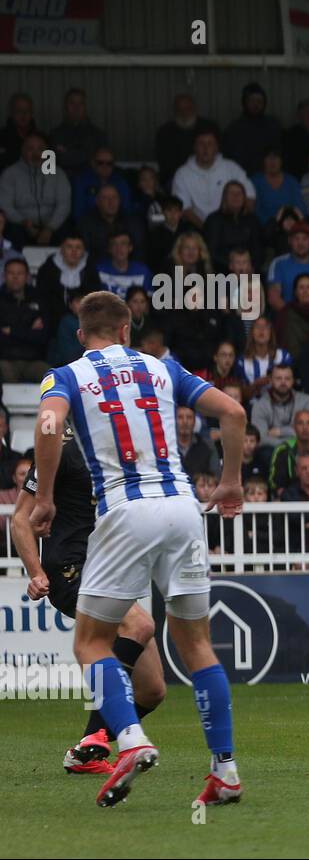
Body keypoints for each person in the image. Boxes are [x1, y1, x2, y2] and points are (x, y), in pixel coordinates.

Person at [31, 289, 248, 806]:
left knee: (91, 643)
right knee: (197, 647)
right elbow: (234, 412)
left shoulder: (66, 375)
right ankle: (225, 771)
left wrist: (43, 497)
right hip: (182, 509)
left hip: (125, 511)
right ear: (128, 329)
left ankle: (128, 740)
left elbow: (47, 422)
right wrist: (232, 481)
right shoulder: (162, 367)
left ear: (82, 336)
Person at [10, 424, 166, 776]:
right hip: (71, 566)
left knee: (152, 688)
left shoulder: (126, 446)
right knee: (139, 625)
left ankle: (84, 751)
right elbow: (20, 518)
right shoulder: (60, 447)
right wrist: (35, 572)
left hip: (111, 566)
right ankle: (98, 735)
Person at [170, 127, 255, 226]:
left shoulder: (232, 168)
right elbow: (184, 210)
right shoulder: (182, 174)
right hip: (196, 230)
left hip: (231, 226)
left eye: (210, 143)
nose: (205, 148)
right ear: (194, 147)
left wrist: (238, 222)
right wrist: (206, 230)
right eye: (201, 143)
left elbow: (250, 197)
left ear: (217, 147)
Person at [0, 132, 71, 247]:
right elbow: (5, 205)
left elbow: (64, 204)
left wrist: (50, 228)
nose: (36, 153)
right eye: (30, 149)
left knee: (67, 230)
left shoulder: (58, 173)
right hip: (21, 224)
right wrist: (23, 222)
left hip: (52, 224)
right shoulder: (10, 174)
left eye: (40, 149)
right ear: (22, 151)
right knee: (12, 231)